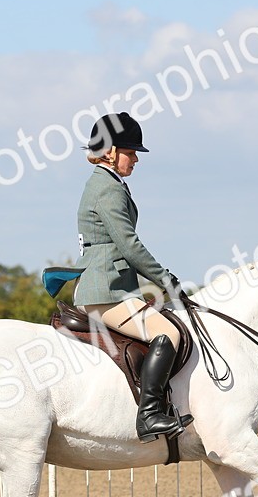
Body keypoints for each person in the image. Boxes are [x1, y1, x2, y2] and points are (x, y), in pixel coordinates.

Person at [72, 112, 193, 443]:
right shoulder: (107, 188)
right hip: (106, 291)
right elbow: (129, 246)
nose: (136, 158)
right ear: (111, 151)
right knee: (168, 333)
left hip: (113, 287)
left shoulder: (106, 183)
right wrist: (165, 279)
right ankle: (150, 414)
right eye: (131, 151)